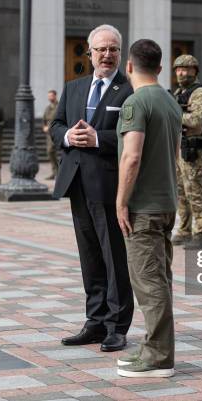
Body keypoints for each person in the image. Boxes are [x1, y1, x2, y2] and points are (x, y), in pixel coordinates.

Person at [49, 24, 134, 352]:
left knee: (114, 257)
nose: (107, 54)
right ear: (89, 53)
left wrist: (99, 138)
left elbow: (136, 136)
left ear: (120, 53)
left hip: (111, 185)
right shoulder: (74, 88)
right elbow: (56, 125)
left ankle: (117, 326)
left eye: (113, 49)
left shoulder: (129, 91)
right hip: (77, 183)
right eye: (101, 49)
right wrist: (68, 136)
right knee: (90, 257)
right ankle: (95, 322)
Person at [116, 39, 182, 378]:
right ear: (159, 67)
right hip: (166, 203)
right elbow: (174, 156)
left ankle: (158, 358)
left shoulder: (136, 102)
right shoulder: (170, 102)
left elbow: (132, 156)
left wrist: (121, 201)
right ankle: (155, 348)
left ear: (129, 66)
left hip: (144, 207)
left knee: (148, 282)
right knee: (160, 278)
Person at [170, 55, 202, 247]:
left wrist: (171, 112)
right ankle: (184, 229)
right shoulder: (179, 92)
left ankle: (201, 233)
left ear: (195, 71)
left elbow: (195, 120)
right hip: (178, 148)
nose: (182, 73)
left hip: (193, 151)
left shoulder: (201, 93)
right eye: (179, 69)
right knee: (180, 192)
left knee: (194, 192)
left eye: (186, 69)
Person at [42, 89, 59, 180]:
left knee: (54, 151)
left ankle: (58, 172)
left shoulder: (59, 106)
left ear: (55, 96)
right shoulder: (48, 108)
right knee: (50, 152)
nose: (49, 98)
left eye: (51, 96)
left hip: (57, 132)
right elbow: (44, 120)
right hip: (49, 134)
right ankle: (55, 172)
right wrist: (44, 127)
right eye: (48, 96)